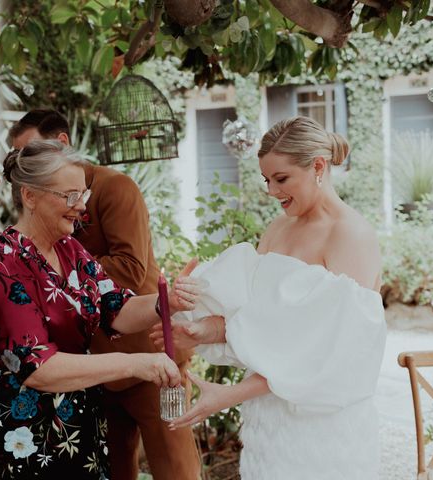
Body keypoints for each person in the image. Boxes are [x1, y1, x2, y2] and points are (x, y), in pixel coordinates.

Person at [151, 116, 387, 479]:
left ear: (318, 167)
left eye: (281, 179)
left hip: (321, 426)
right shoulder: (278, 228)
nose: (271, 191)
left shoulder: (350, 235)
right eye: (267, 179)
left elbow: (333, 351)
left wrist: (228, 395)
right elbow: (261, 319)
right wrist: (204, 330)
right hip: (267, 420)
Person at [0, 140, 200, 479]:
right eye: (70, 196)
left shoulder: (70, 249)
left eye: (83, 195)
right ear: (30, 196)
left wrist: (166, 302)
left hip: (77, 427)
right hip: (20, 438)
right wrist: (135, 363)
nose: (81, 208)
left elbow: (115, 307)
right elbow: (38, 368)